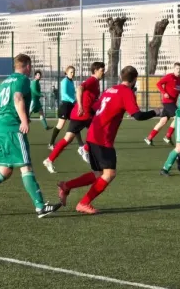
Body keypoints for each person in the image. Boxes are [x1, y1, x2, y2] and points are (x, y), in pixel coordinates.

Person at [0, 54, 62, 218]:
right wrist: (24, 120)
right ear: (27, 66)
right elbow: (17, 98)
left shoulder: (4, 83)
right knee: (26, 166)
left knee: (5, 170)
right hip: (12, 129)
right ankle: (40, 206)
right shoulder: (23, 79)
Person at [57, 65, 161, 214]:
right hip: (102, 139)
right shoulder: (126, 92)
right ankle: (83, 203)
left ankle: (66, 186)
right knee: (109, 174)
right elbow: (137, 115)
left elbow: (93, 108)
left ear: (121, 77)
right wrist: (155, 112)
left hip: (93, 134)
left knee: (98, 174)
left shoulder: (110, 90)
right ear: (134, 80)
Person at [43, 62, 105, 173]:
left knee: (69, 139)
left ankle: (49, 159)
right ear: (95, 71)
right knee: (98, 133)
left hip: (84, 114)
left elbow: (91, 98)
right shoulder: (92, 80)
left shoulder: (96, 82)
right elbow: (80, 89)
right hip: (82, 115)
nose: (103, 72)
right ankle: (85, 150)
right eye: (102, 70)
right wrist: (80, 106)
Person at [144, 62, 180, 146]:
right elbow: (158, 84)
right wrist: (164, 92)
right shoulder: (169, 76)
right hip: (167, 102)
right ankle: (168, 136)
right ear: (174, 69)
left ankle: (149, 138)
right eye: (177, 69)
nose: (178, 70)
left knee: (163, 121)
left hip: (173, 102)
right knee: (178, 117)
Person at [48, 66, 82, 150]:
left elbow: (72, 92)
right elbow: (65, 94)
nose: (72, 74)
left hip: (71, 105)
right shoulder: (64, 81)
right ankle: (51, 143)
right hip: (65, 106)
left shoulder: (71, 82)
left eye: (73, 72)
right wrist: (73, 101)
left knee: (75, 123)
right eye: (71, 72)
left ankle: (81, 145)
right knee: (60, 125)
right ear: (66, 72)